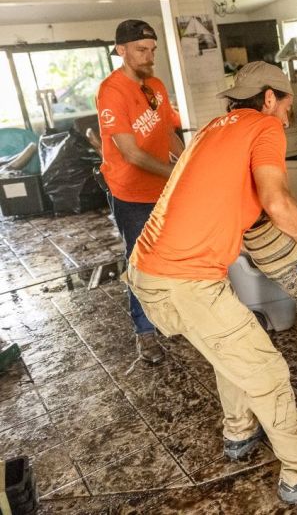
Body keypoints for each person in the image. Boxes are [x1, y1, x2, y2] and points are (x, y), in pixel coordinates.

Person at [126, 61, 297, 504]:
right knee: (267, 369)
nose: (288, 116)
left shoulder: (216, 127)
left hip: (148, 269)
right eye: (288, 105)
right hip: (185, 278)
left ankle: (239, 432)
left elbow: (219, 200)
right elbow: (276, 199)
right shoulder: (264, 127)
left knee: (234, 341)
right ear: (270, 98)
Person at [97, 19, 184, 364]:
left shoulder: (156, 86)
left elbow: (166, 133)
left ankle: (174, 317)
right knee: (140, 261)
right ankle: (145, 333)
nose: (149, 57)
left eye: (152, 50)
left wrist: (187, 162)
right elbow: (130, 153)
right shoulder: (112, 91)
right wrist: (176, 174)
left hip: (164, 188)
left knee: (173, 255)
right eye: (140, 50)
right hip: (131, 194)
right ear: (121, 50)